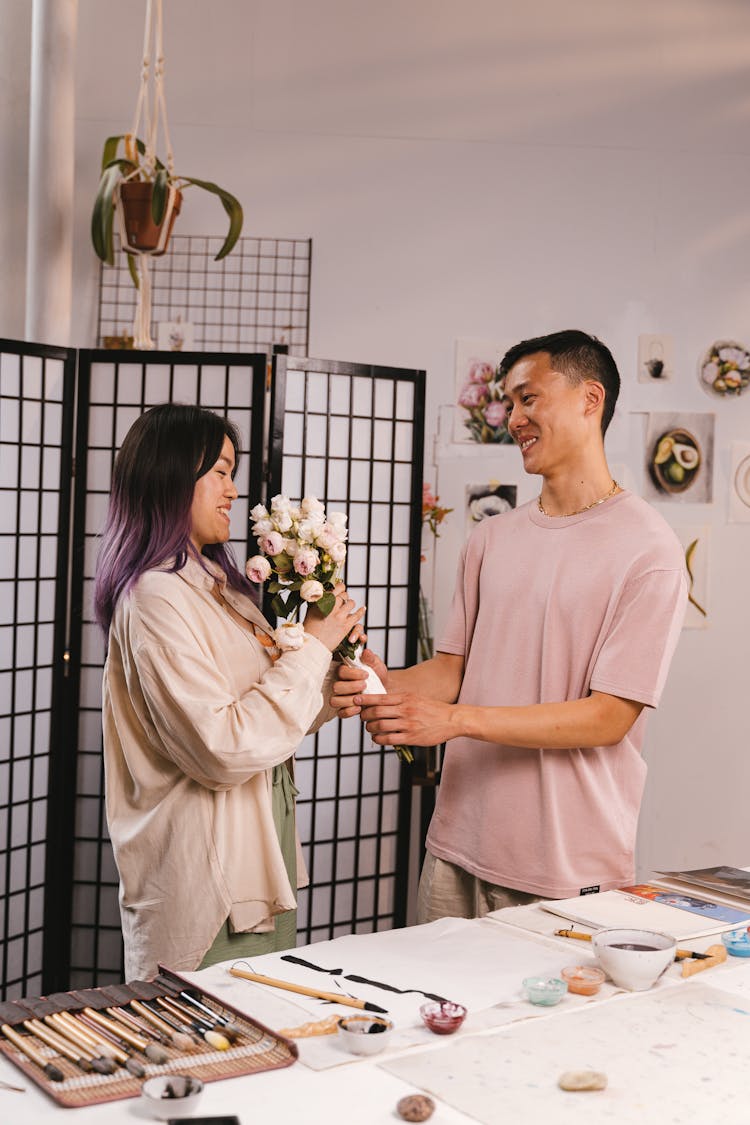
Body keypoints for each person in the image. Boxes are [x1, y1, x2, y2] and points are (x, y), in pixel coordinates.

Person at [333, 330, 687, 922]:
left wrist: (452, 722)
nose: (513, 418)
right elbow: (455, 670)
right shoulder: (491, 537)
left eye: (529, 398)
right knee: (433, 1012)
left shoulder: (648, 550)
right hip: (456, 850)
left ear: (589, 399)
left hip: (568, 867)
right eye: (509, 403)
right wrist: (387, 684)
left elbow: (609, 717)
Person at [94, 403, 364, 980]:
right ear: (171, 474)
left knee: (261, 1044)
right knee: (212, 1048)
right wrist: (313, 646)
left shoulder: (222, 586)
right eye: (219, 471)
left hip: (263, 855)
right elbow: (221, 748)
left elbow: (257, 708)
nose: (233, 490)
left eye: (231, 472)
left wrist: (330, 686)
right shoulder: (155, 598)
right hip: (209, 875)